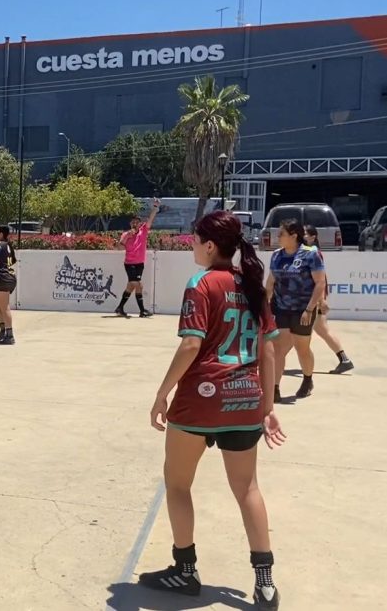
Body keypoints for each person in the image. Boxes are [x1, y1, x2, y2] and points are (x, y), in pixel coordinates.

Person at [141, 211, 286, 610]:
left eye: (194, 239)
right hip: (245, 400)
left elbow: (191, 345)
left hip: (200, 402)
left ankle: (185, 571)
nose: (191, 245)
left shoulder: (202, 283)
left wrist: (160, 394)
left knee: (178, 484)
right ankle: (265, 582)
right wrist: (267, 406)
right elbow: (268, 349)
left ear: (209, 245)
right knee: (248, 489)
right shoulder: (251, 285)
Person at [266, 219, 326, 401]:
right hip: (281, 308)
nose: (278, 237)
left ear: (294, 236)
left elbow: (320, 283)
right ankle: (274, 389)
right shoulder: (277, 255)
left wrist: (309, 309)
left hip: (303, 309)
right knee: (278, 348)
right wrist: (265, 305)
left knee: (302, 348)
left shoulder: (310, 254)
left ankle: (307, 380)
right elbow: (270, 282)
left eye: (281, 234)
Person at [303, 225, 354, 374]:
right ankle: (344, 359)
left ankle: (345, 359)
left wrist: (321, 300)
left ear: (313, 237)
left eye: (306, 234)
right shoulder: (307, 252)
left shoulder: (313, 253)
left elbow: (321, 279)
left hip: (315, 297)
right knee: (322, 330)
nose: (303, 236)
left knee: (315, 331)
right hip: (314, 297)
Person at [116, 198, 160, 318]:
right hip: (130, 263)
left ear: (139, 223)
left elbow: (150, 219)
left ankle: (120, 308)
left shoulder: (144, 230)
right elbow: (119, 247)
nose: (135, 224)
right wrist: (127, 237)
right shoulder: (125, 234)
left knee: (131, 285)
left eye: (137, 222)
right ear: (130, 223)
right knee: (138, 285)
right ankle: (142, 311)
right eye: (133, 222)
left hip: (140, 263)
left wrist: (155, 208)